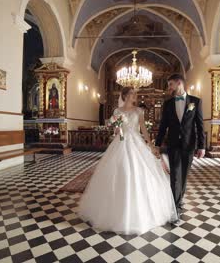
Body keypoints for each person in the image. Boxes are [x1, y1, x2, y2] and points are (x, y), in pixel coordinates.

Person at [78, 87, 177, 235]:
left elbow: (143, 129)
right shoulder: (117, 112)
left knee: (139, 173)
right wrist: (117, 127)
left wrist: (150, 145)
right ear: (124, 96)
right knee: (119, 171)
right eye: (131, 93)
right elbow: (117, 131)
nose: (134, 95)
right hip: (121, 142)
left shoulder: (139, 111)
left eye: (135, 93)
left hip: (137, 143)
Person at [154, 74, 205, 221]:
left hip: (189, 145)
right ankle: (174, 207)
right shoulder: (168, 103)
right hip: (173, 144)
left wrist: (202, 146)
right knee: (175, 175)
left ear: (179, 83)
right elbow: (163, 125)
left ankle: (179, 199)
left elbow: (200, 126)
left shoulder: (195, 102)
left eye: (170, 84)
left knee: (184, 175)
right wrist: (157, 144)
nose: (169, 88)